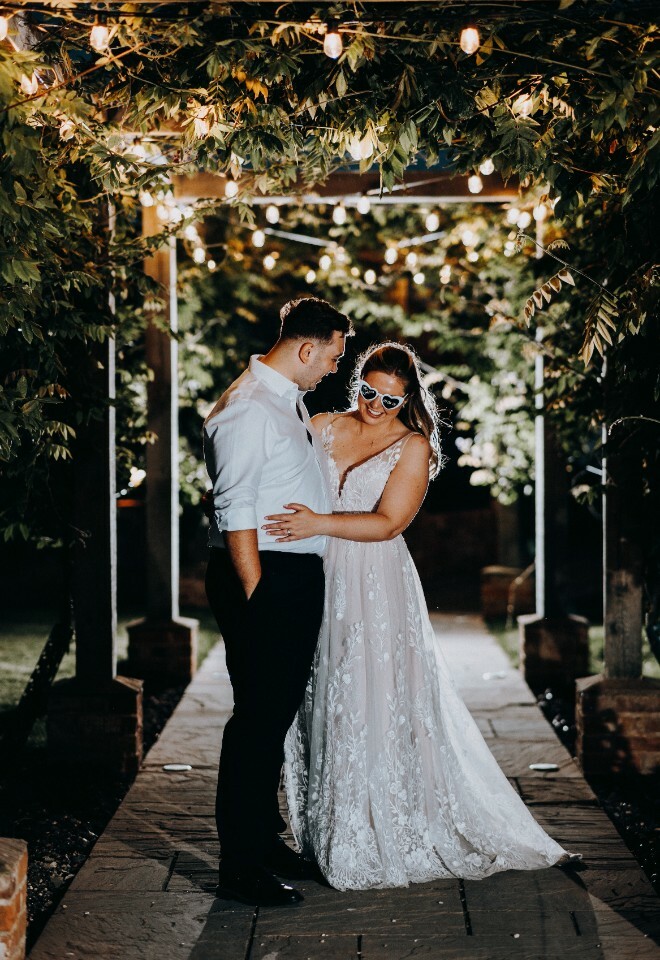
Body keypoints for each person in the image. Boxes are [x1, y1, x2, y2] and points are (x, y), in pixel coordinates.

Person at [263, 342, 576, 890]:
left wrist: (318, 523)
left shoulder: (412, 446)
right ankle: (325, 830)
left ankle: (377, 828)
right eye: (367, 391)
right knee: (321, 694)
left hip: (373, 582)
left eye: (390, 398)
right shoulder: (321, 425)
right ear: (355, 382)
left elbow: (388, 523)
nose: (376, 405)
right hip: (314, 574)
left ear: (406, 398)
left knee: (370, 695)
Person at [203, 297, 352, 907]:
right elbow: (232, 508)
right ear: (307, 347)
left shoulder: (283, 399)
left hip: (288, 573)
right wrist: (259, 593)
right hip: (264, 577)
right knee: (258, 724)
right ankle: (241, 865)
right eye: (335, 358)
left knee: (271, 717)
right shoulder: (246, 408)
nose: (335, 371)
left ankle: (262, 841)